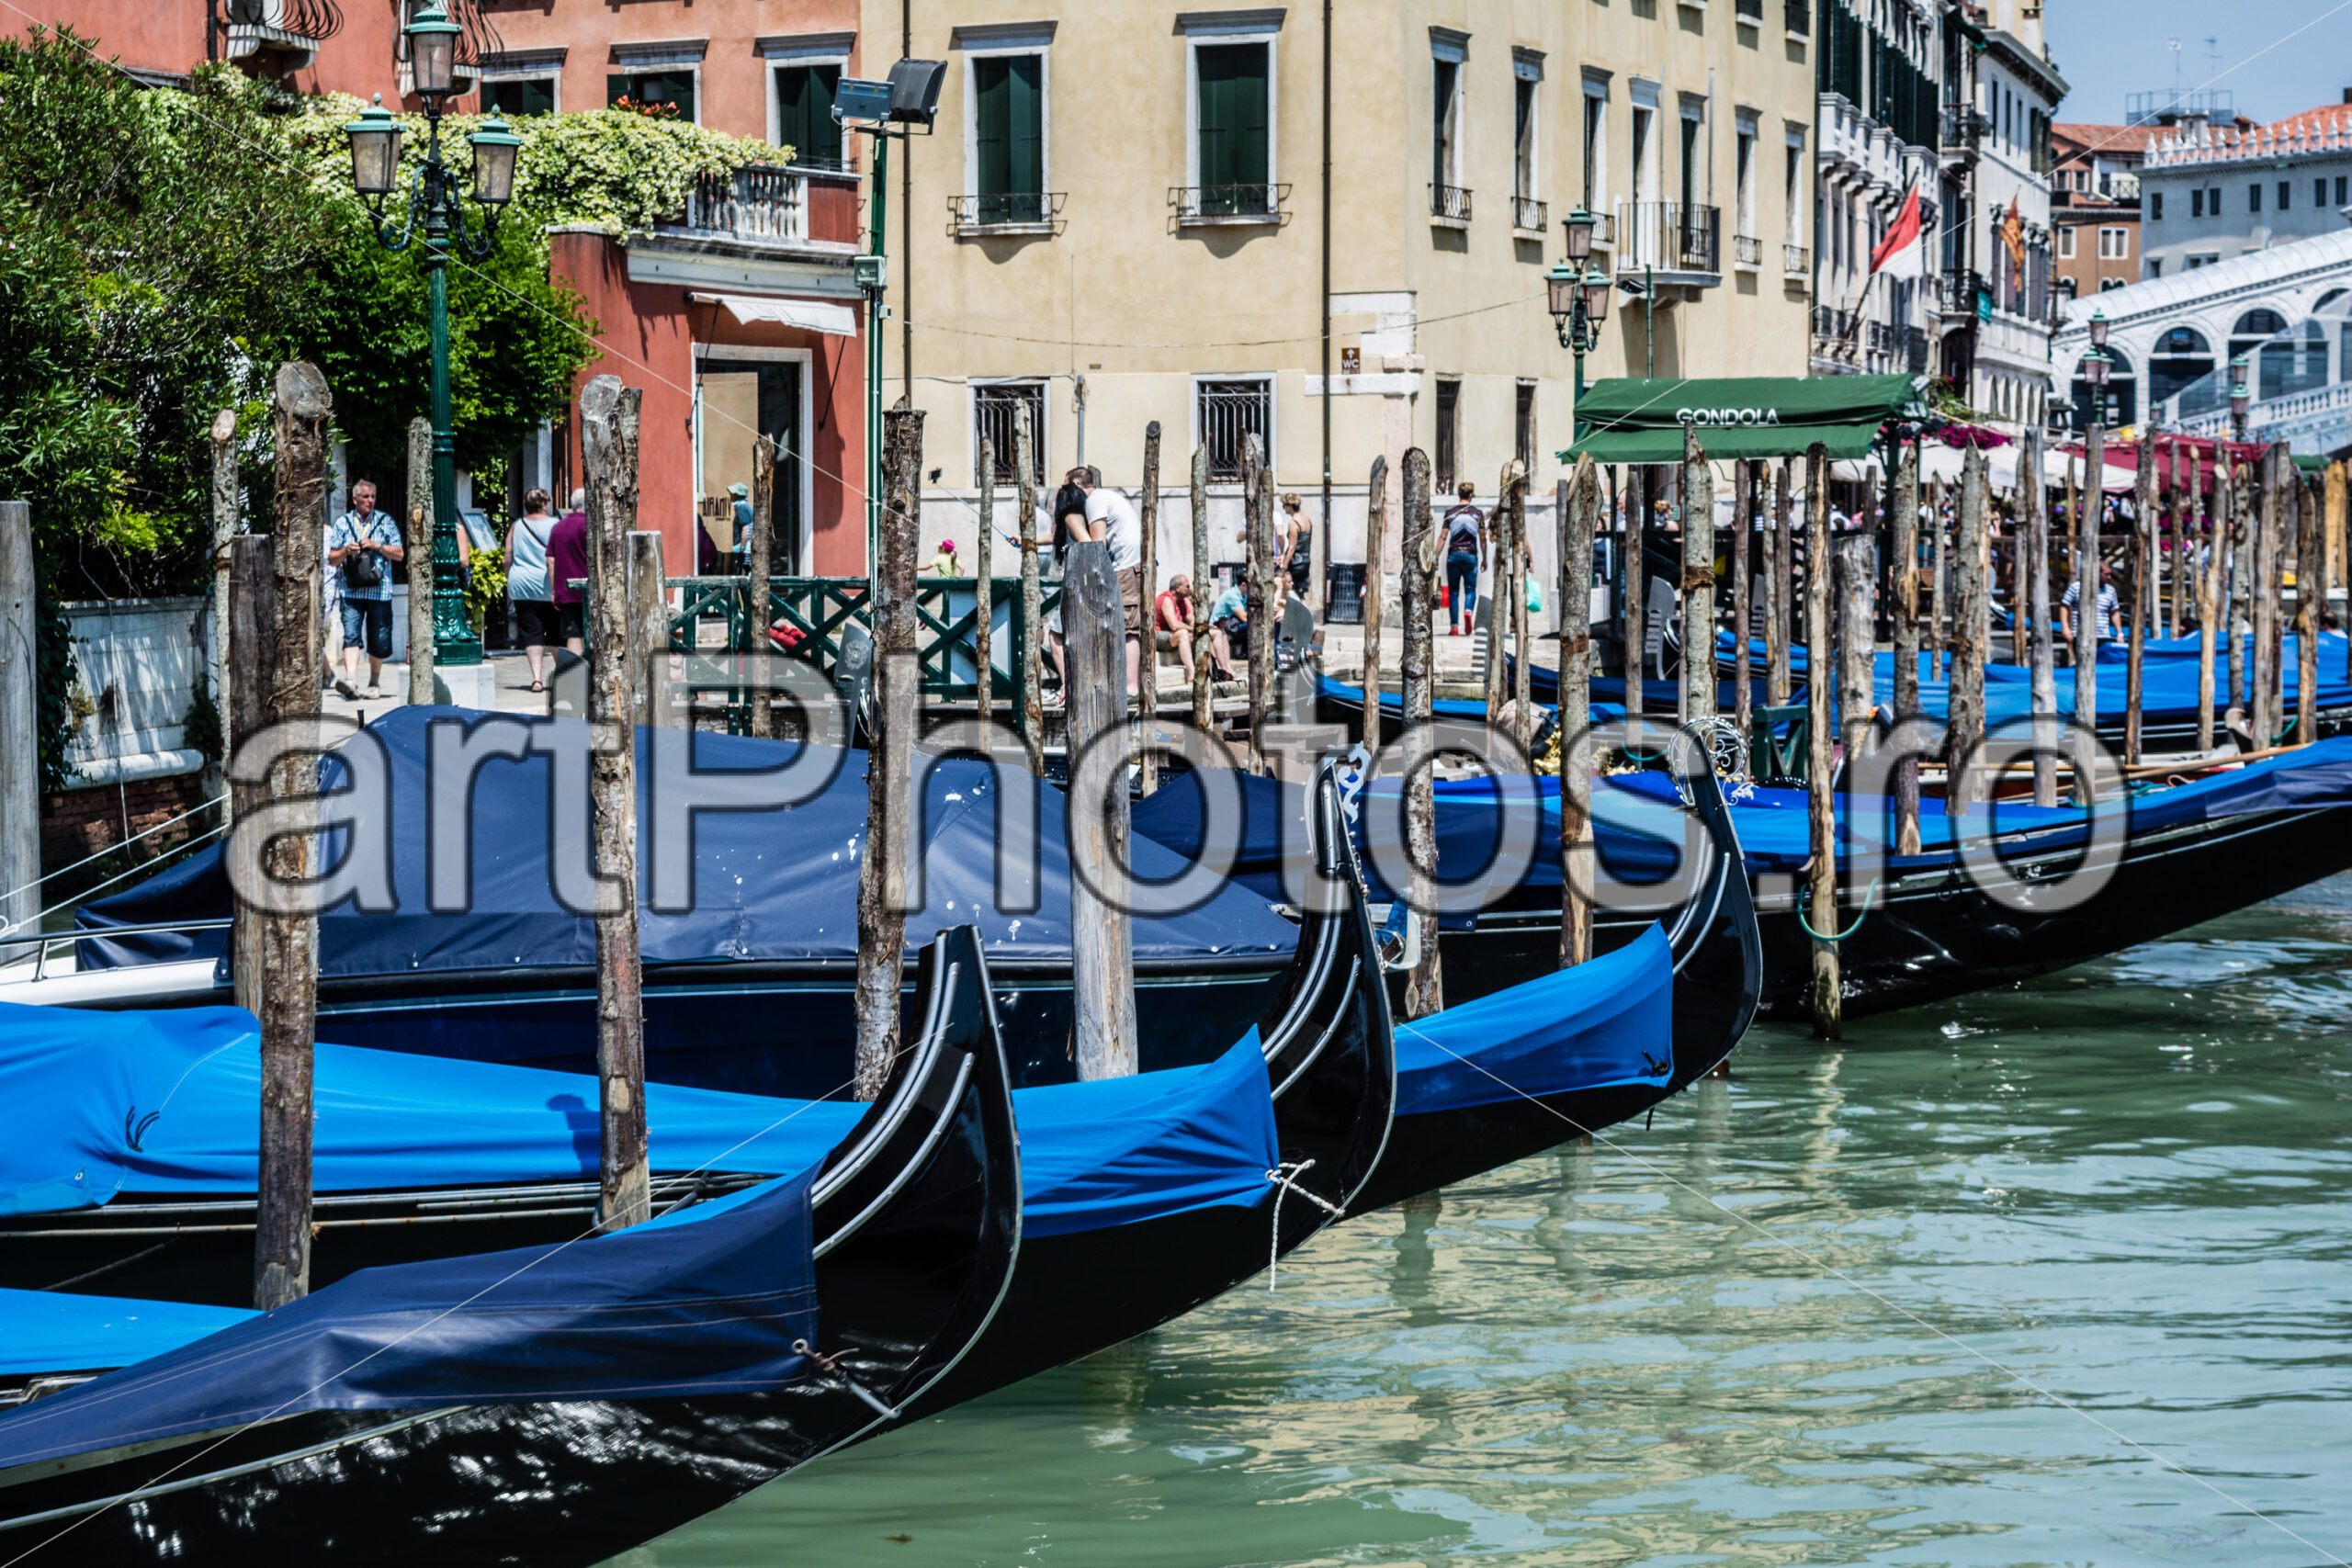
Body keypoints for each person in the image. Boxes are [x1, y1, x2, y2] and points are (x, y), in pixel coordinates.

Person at [327, 479, 404, 699]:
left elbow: (399, 553)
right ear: (355, 499)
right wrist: (345, 550)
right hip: (351, 591)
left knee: (379, 638)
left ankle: (374, 683)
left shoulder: (385, 522)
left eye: (372, 497)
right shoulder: (342, 523)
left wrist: (376, 545)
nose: (370, 501)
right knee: (351, 635)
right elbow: (332, 559)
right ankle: (351, 680)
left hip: (380, 591)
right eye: (365, 497)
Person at [1075, 465, 1145, 694]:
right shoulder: (1107, 496)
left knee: (1128, 629)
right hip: (1131, 566)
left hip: (1126, 567)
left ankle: (1131, 688)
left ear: (1076, 485)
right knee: (1125, 628)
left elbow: (1097, 546)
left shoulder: (1094, 500)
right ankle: (1127, 685)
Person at [504, 487, 560, 693]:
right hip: (548, 585)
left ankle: (537, 679)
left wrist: (508, 579)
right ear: (545, 504)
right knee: (555, 633)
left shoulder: (517, 526)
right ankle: (563, 674)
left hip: (522, 585)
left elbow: (507, 558)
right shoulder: (555, 525)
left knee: (531, 632)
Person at [547, 489, 588, 655]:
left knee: (573, 632)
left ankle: (576, 678)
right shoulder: (589, 525)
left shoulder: (558, 527)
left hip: (566, 591)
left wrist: (554, 591)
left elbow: (551, 561)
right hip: (590, 590)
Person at [1442, 481, 1484, 636]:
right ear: (1471, 495)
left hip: (1453, 554)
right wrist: (1485, 557)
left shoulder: (1450, 513)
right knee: (1470, 589)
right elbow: (1483, 537)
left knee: (1453, 591)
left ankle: (1454, 626)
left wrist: (1435, 556)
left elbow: (1442, 537)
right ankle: (1468, 611)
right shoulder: (1477, 513)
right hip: (1470, 554)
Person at [2059, 559, 2123, 646]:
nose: (2109, 577)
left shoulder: (2110, 590)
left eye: (2110, 574)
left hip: (2103, 636)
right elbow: (2064, 607)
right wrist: (2065, 628)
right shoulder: (2076, 587)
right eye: (2106, 574)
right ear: (2097, 573)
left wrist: (2119, 633)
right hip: (2081, 635)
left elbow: (2114, 612)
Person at [1210, 576, 1250, 670]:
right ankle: (1244, 655)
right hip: (1222, 627)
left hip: (1229, 627)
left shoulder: (1243, 595)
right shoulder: (1232, 595)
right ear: (1243, 584)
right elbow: (1244, 618)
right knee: (1252, 627)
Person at [1279, 492, 1312, 596]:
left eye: (1284, 505)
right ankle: (1305, 611)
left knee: (1284, 589)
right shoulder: (1307, 520)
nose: (1283, 508)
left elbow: (1292, 547)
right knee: (1301, 593)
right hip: (1306, 561)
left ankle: (1282, 611)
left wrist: (1284, 566)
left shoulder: (1293, 522)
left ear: (1290, 505)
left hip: (1296, 563)